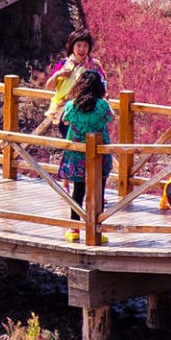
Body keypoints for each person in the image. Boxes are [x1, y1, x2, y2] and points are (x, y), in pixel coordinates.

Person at [56, 69, 112, 242]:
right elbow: (110, 118)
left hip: (77, 154)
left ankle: (74, 229)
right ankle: (98, 230)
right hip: (99, 154)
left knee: (78, 190)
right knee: (99, 190)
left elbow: (64, 120)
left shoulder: (72, 105)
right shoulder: (103, 105)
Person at [46, 31, 106, 122]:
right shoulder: (64, 64)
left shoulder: (94, 65)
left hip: (88, 110)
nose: (82, 49)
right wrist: (58, 74)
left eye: (85, 45)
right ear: (72, 47)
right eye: (78, 45)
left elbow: (103, 86)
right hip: (64, 110)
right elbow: (49, 87)